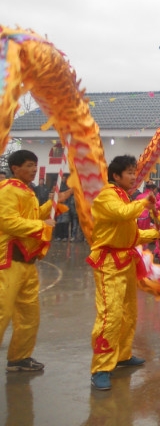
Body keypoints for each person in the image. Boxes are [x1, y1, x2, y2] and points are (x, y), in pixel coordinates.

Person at [88, 155, 159, 390]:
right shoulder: (107, 195)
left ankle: (122, 355)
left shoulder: (124, 197)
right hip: (109, 262)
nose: (133, 176)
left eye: (133, 172)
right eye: (128, 172)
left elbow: (131, 235)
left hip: (126, 260)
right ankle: (101, 367)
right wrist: (143, 203)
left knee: (129, 311)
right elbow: (122, 214)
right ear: (116, 176)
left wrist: (155, 234)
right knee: (111, 315)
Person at [0, 150, 69, 373]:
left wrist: (53, 204)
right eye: (29, 165)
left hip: (27, 263)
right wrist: (41, 227)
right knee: (2, 312)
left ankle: (20, 358)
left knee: (29, 314)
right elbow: (8, 222)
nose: (33, 169)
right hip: (9, 261)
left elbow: (33, 217)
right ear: (15, 168)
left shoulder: (27, 192)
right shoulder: (8, 190)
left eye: (34, 165)